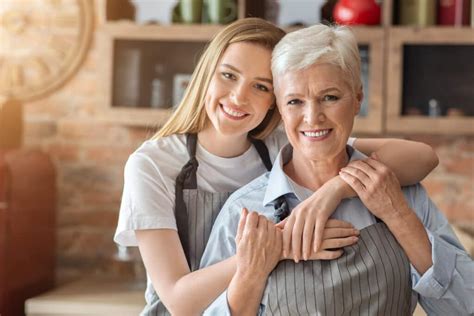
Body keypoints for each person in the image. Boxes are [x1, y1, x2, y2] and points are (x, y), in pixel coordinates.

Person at [114, 18, 439, 315]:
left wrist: (335, 189)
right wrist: (277, 247)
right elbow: (178, 301)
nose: (239, 97)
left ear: (278, 100)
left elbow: (421, 157)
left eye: (261, 86)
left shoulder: (279, 144)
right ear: (205, 75)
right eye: (228, 75)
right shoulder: (152, 165)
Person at [200, 23, 473, 315]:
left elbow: (465, 307)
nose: (312, 117)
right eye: (295, 101)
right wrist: (252, 270)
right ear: (280, 109)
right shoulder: (245, 211)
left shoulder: (400, 194)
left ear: (357, 99)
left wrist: (398, 215)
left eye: (329, 97)